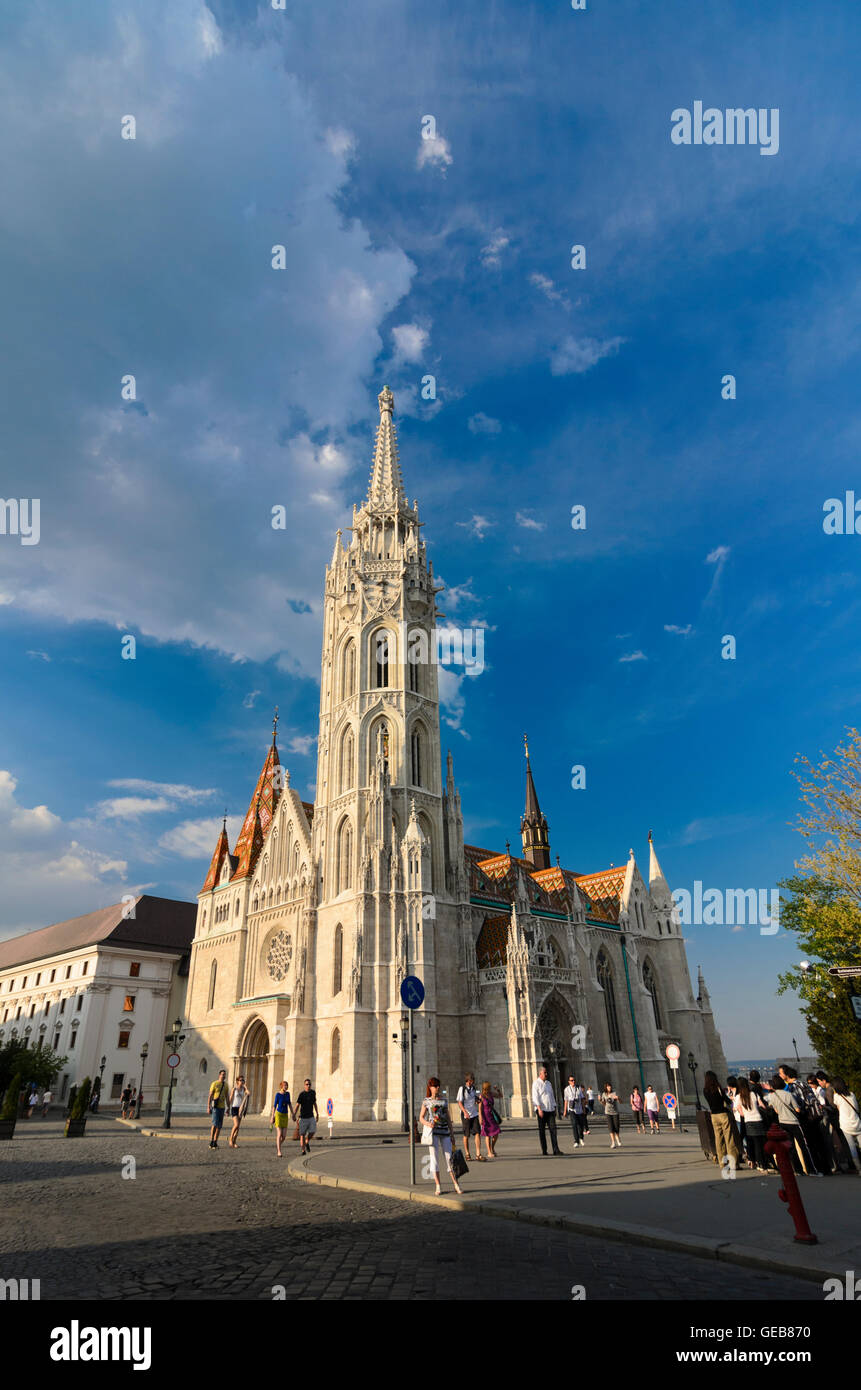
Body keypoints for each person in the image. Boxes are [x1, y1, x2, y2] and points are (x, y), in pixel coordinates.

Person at [779, 1065, 830, 1174]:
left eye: (781, 1073)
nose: (780, 1075)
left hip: (806, 1117)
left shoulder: (793, 1087)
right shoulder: (803, 1083)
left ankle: (817, 1169)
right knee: (819, 1142)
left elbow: (797, 1105)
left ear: (787, 1075)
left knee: (811, 1145)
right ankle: (827, 1168)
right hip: (815, 1115)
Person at [419, 1077, 463, 1195]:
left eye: (438, 1086)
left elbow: (448, 1118)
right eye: (435, 1086)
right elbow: (421, 1118)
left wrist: (452, 1134)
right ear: (430, 1087)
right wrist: (428, 1123)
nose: (437, 1088)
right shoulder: (426, 1101)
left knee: (450, 1159)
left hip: (445, 1132)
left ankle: (456, 1184)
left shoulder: (444, 1101)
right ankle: (438, 1185)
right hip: (433, 1133)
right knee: (434, 1159)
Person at [768, 1076, 819, 1175]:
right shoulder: (789, 1095)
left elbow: (776, 1111)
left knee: (791, 1148)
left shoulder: (772, 1097)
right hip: (794, 1122)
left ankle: (798, 1170)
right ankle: (811, 1169)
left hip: (783, 1122)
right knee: (803, 1146)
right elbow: (797, 1109)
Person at [702, 1071, 741, 1171]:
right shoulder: (718, 1089)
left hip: (714, 1116)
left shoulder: (705, 1090)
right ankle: (733, 1164)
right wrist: (731, 1098)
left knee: (718, 1140)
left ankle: (722, 1163)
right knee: (729, 1139)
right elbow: (727, 1101)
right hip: (723, 1115)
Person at [733, 1078, 769, 1172]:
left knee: (751, 1143)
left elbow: (740, 1113)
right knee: (760, 1144)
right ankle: (762, 1163)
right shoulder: (753, 1094)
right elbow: (762, 1106)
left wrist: (746, 1113)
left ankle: (754, 1162)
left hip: (748, 1122)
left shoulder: (739, 1097)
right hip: (758, 1120)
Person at [830, 1077, 861, 1174]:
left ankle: (859, 1169)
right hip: (857, 1123)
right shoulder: (852, 1094)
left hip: (846, 1125)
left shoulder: (837, 1097)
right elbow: (856, 1108)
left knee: (852, 1148)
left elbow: (837, 1107)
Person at [531, 1066, 563, 1155]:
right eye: (544, 1073)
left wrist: (554, 1107)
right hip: (541, 1110)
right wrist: (539, 1109)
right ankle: (544, 1150)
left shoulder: (549, 1083)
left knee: (553, 1130)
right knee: (542, 1131)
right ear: (540, 1073)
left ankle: (556, 1149)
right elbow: (535, 1097)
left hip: (550, 1109)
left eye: (546, 1072)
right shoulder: (536, 1083)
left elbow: (551, 1096)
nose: (546, 1074)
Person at [456, 1073, 483, 1162]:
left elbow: (473, 1099)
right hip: (466, 1115)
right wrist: (465, 1112)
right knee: (466, 1135)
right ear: (468, 1081)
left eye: (473, 1081)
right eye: (471, 1081)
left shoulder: (473, 1089)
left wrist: (477, 1100)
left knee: (477, 1133)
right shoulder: (462, 1089)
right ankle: (467, 1154)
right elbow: (459, 1102)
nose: (472, 1082)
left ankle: (478, 1154)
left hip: (474, 1113)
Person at [270, 1080, 294, 1157]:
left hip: (285, 1115)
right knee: (279, 1133)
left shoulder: (288, 1094)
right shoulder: (278, 1095)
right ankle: (279, 1151)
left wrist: (293, 1114)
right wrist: (272, 1116)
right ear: (281, 1086)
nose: (286, 1087)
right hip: (279, 1115)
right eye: (284, 1085)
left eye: (287, 1085)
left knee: (284, 1136)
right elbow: (274, 1106)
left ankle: (278, 1144)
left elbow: (289, 1104)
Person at [296, 1078, 319, 1154]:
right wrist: (294, 1114)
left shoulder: (313, 1093)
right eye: (307, 1084)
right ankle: (303, 1151)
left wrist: (317, 1113)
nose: (308, 1085)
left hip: (311, 1116)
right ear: (304, 1085)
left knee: (313, 1131)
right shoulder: (301, 1094)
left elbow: (314, 1103)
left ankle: (307, 1141)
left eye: (309, 1084)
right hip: (303, 1117)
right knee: (302, 1134)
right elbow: (297, 1105)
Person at [208, 1069, 229, 1148]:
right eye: (222, 1074)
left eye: (224, 1074)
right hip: (215, 1107)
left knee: (219, 1126)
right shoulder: (214, 1084)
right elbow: (210, 1096)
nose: (223, 1076)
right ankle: (211, 1141)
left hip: (222, 1107)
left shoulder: (226, 1085)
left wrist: (228, 1107)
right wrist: (208, 1107)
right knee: (214, 1124)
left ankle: (215, 1142)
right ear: (219, 1075)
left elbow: (227, 1097)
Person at [478, 1081, 500, 1159]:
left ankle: (492, 1148)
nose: (490, 1089)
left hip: (492, 1115)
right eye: (489, 1087)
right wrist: (480, 1118)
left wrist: (497, 1090)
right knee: (487, 1134)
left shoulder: (491, 1094)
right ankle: (489, 1152)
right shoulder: (481, 1096)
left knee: (496, 1132)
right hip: (485, 1116)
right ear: (486, 1088)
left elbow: (500, 1096)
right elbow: (480, 1108)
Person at [563, 1075, 587, 1146]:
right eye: (571, 1080)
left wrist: (584, 1109)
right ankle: (576, 1141)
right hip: (571, 1109)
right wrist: (565, 1111)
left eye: (574, 1080)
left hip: (579, 1109)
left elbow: (582, 1099)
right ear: (569, 1082)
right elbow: (566, 1101)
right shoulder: (566, 1089)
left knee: (580, 1125)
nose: (573, 1081)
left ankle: (581, 1138)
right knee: (574, 1124)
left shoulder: (578, 1088)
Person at [228, 1075, 251, 1149]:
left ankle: (234, 1142)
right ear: (237, 1081)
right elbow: (230, 1098)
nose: (242, 1081)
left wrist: (246, 1087)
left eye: (243, 1080)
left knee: (238, 1127)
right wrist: (228, 1108)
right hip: (234, 1108)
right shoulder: (234, 1089)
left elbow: (248, 1093)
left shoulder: (243, 1089)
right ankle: (230, 1139)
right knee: (236, 1125)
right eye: (241, 1080)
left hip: (240, 1109)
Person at [600, 1082, 622, 1148]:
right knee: (611, 1128)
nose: (609, 1087)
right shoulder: (604, 1094)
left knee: (616, 1127)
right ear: (606, 1087)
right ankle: (613, 1142)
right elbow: (604, 1104)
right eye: (608, 1086)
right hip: (608, 1112)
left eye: (610, 1086)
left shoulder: (614, 1093)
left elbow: (620, 1102)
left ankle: (618, 1138)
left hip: (615, 1112)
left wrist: (618, 1098)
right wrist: (600, 1100)